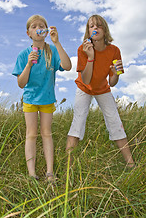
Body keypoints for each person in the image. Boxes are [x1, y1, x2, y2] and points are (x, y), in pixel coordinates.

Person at [66, 14, 135, 168]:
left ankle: (130, 164)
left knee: (115, 121)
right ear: (88, 31)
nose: (95, 28)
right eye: (91, 26)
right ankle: (68, 168)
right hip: (84, 87)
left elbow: (113, 82)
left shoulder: (114, 51)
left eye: (99, 25)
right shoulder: (82, 49)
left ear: (105, 30)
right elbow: (86, 80)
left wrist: (115, 74)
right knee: (78, 121)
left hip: (103, 89)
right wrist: (90, 57)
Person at [12, 14, 72, 181]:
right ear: (28, 33)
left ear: (46, 31)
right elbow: (21, 84)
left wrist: (57, 42)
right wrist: (29, 64)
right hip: (30, 99)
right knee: (31, 134)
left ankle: (49, 173)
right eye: (34, 26)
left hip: (47, 99)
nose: (38, 28)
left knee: (46, 133)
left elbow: (67, 66)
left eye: (41, 25)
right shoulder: (24, 55)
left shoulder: (52, 50)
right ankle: (32, 174)